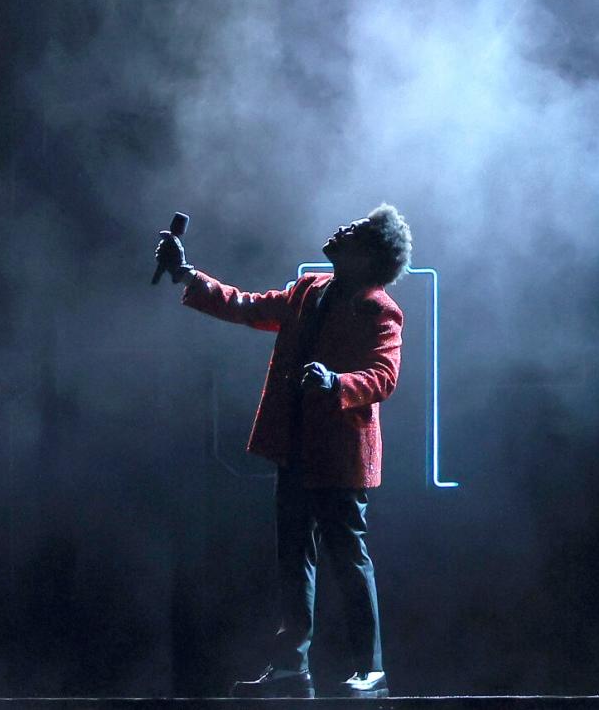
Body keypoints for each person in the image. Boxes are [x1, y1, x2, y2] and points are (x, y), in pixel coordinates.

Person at [155, 204, 412, 699]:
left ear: (367, 255)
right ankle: (292, 669)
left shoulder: (379, 308)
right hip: (293, 446)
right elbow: (248, 306)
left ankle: (370, 671)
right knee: (295, 559)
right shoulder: (308, 289)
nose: (340, 229)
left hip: (338, 455)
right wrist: (185, 273)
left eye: (353, 230)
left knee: (347, 560)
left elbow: (384, 376)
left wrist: (336, 381)